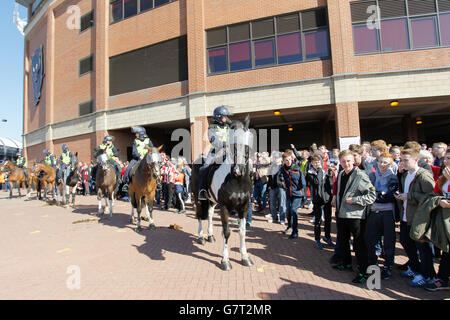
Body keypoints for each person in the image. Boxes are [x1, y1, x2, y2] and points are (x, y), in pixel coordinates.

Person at [332, 149, 376, 284]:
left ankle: (364, 272)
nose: (346, 164)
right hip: (341, 213)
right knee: (343, 239)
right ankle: (346, 263)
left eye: (349, 161)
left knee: (359, 244)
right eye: (343, 161)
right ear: (340, 162)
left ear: (354, 161)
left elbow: (371, 196)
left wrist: (355, 200)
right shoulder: (340, 174)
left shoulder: (360, 175)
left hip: (355, 215)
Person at [395, 148, 436, 287]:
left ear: (416, 160)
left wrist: (410, 196)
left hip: (420, 218)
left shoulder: (423, 176)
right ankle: (415, 267)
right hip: (407, 215)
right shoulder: (406, 175)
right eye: (402, 160)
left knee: (423, 248)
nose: (403, 163)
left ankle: (428, 275)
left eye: (406, 160)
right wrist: (401, 195)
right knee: (405, 242)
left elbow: (431, 197)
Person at [366, 152, 399, 280]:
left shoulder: (393, 177)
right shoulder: (372, 175)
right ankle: (373, 264)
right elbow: (368, 192)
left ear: (390, 164)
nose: (382, 165)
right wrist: (379, 195)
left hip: (388, 213)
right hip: (374, 211)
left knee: (389, 241)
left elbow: (389, 196)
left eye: (385, 162)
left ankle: (387, 266)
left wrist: (377, 196)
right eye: (380, 162)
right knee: (371, 239)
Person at [424, 147, 450, 291]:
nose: (445, 161)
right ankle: (443, 279)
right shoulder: (443, 177)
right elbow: (435, 194)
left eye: (449, 159)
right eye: (445, 158)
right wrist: (439, 201)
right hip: (445, 220)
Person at [198, 105, 232, 200]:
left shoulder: (228, 127)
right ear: (219, 116)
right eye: (225, 116)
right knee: (204, 168)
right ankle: (202, 190)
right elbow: (214, 140)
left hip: (228, 151)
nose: (226, 118)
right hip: (215, 152)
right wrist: (225, 143)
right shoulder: (211, 127)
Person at [306, 154, 334, 249]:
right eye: (314, 162)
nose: (317, 164)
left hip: (327, 199)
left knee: (328, 219)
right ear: (312, 163)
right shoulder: (310, 173)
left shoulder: (325, 171)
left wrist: (330, 173)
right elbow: (317, 182)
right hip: (317, 200)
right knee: (318, 220)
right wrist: (321, 171)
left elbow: (330, 183)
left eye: (318, 162)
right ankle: (317, 239)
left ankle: (327, 237)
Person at [278, 150, 304, 239]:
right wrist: (282, 183)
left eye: (289, 160)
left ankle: (295, 231)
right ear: (283, 161)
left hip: (297, 194)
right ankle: (289, 226)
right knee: (288, 211)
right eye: (286, 160)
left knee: (293, 210)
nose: (288, 162)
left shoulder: (297, 168)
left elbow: (303, 182)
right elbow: (279, 178)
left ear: (292, 159)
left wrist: (297, 188)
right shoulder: (282, 169)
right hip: (288, 193)